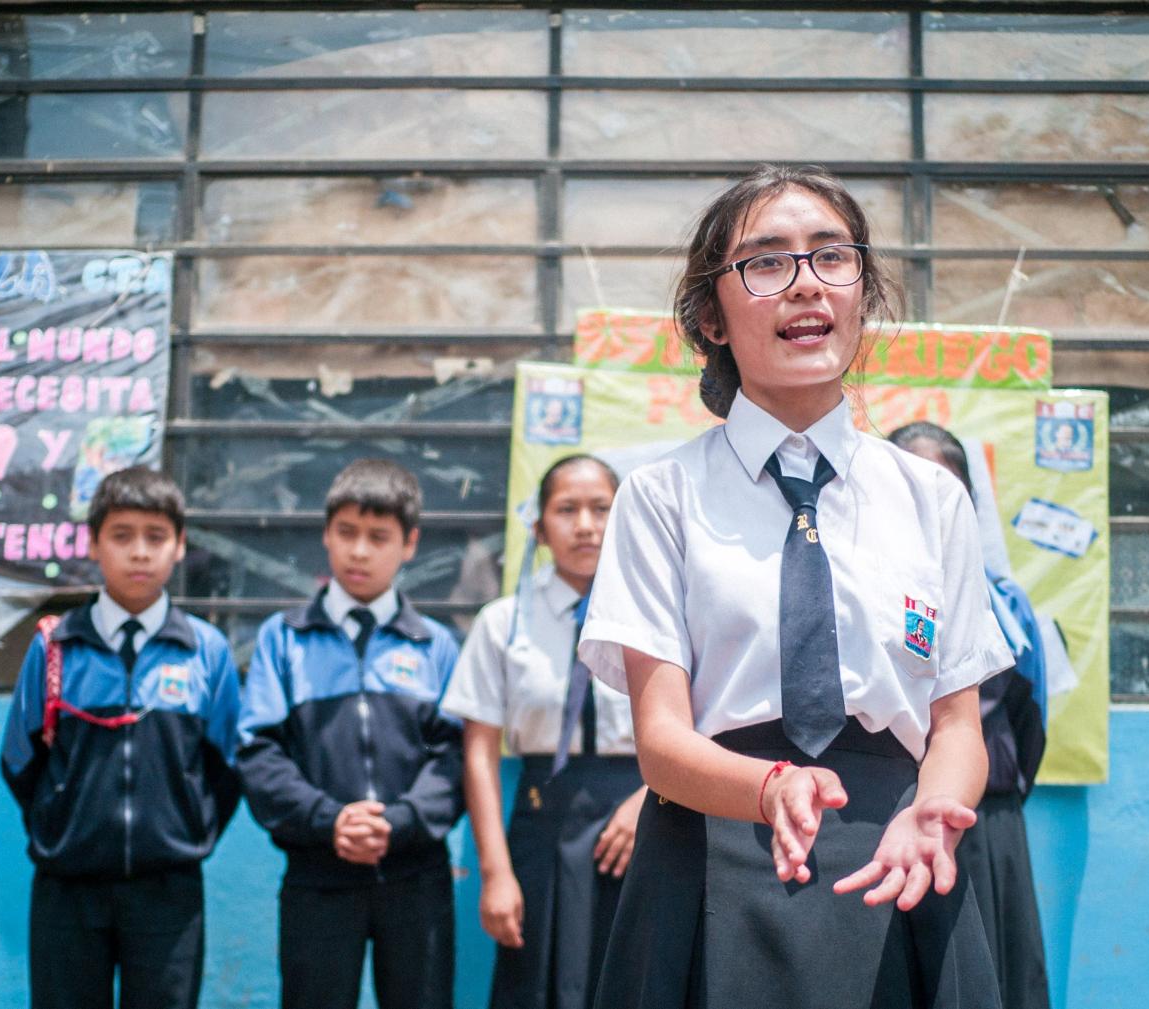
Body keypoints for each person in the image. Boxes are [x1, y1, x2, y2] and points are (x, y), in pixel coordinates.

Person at [578, 163, 1016, 1009]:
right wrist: (771, 785)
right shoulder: (662, 495)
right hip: (713, 853)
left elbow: (956, 725)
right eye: (768, 262)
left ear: (863, 292)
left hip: (899, 860)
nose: (805, 284)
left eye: (831, 257)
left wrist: (936, 808)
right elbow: (661, 742)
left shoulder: (932, 498)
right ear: (711, 314)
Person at [0, 465, 242, 1009]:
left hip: (170, 894)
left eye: (156, 537)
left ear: (180, 547)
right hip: (68, 890)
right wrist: (66, 832)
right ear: (93, 544)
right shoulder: (56, 646)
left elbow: (226, 768)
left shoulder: (206, 651)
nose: (140, 552)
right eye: (122, 536)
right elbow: (20, 761)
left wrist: (182, 835)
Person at [238, 458, 463, 1009]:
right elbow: (259, 754)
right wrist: (330, 819)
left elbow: (455, 756)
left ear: (409, 544)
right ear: (326, 535)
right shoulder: (282, 639)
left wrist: (400, 822)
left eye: (379, 537)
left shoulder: (435, 644)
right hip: (318, 875)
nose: (360, 551)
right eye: (347, 533)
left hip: (416, 878)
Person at [443, 454, 645, 1009]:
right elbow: (480, 754)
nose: (585, 524)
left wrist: (651, 799)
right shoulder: (502, 622)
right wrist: (495, 874)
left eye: (601, 508)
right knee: (538, 986)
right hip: (541, 825)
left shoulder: (661, 614)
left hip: (645, 822)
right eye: (567, 509)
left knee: (635, 980)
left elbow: (701, 726)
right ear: (539, 527)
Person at [888, 421, 1052, 1009]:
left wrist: (990, 793)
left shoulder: (1005, 602)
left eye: (947, 488)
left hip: (988, 824)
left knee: (992, 976)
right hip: (893, 818)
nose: (932, 504)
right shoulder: (866, 592)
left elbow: (1030, 715)